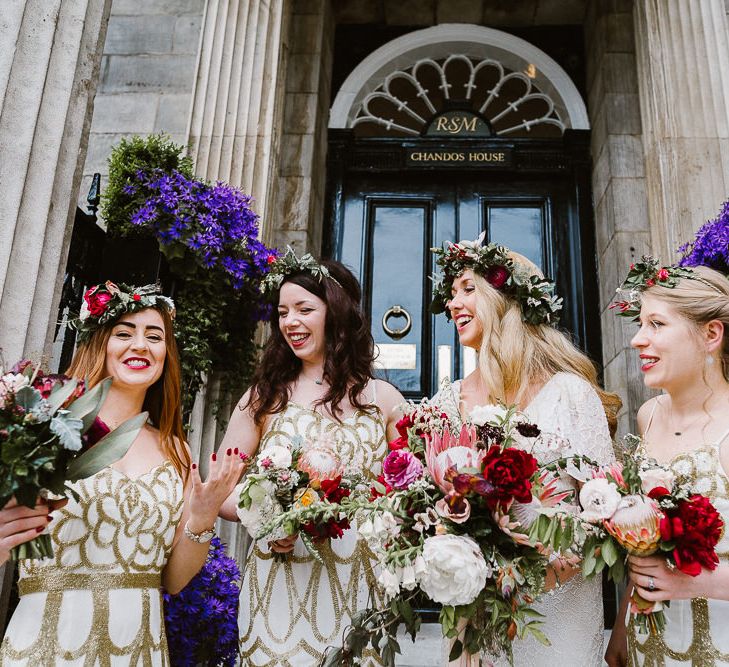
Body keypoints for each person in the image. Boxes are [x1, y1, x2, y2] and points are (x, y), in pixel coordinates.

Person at [0, 282, 245, 665]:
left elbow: (174, 581)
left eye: (154, 336)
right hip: (47, 642)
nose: (141, 345)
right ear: (100, 343)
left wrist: (203, 514)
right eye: (124, 333)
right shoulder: (44, 424)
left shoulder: (174, 448)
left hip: (138, 648)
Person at [429, 236, 620, 667]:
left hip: (557, 618)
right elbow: (432, 514)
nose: (453, 304)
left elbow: (605, 516)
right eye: (451, 294)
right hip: (474, 627)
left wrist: (526, 583)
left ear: (506, 298)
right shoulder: (447, 404)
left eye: (467, 289)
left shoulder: (570, 394)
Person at [217, 250, 404, 666]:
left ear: (336, 314)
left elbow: (411, 490)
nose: (290, 322)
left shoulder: (383, 400)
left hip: (358, 582)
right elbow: (220, 488)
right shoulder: (263, 398)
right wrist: (264, 520)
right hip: (279, 577)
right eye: (283, 312)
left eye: (304, 309)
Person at [604, 260, 729, 666]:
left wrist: (693, 579)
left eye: (657, 324)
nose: (639, 340)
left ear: (711, 334)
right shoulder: (649, 415)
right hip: (650, 648)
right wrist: (621, 629)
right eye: (640, 324)